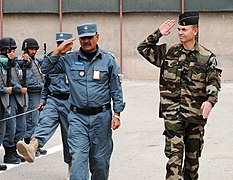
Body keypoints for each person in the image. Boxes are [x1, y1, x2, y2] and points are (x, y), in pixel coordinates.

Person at [137, 12, 222, 180]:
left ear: (195, 31)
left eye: (184, 29)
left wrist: (210, 101)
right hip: (173, 115)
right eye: (179, 29)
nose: (181, 32)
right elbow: (143, 48)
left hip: (195, 116)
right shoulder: (169, 52)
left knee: (192, 163)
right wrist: (158, 33)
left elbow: (213, 82)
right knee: (174, 160)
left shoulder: (207, 57)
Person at [40, 22, 125, 180]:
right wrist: (59, 50)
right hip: (77, 118)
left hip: (102, 118)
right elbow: (45, 69)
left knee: (100, 161)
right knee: (78, 159)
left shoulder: (107, 60)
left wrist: (117, 114)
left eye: (90, 37)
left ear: (97, 37)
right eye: (83, 38)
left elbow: (115, 89)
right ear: (78, 40)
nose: (86, 41)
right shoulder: (69, 60)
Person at [17, 32, 73, 180]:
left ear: (71, 45)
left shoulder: (75, 60)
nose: (62, 46)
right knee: (44, 122)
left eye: (65, 43)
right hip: (53, 100)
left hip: (70, 102)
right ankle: (32, 146)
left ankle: (71, 166)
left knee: (69, 137)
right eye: (59, 43)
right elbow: (46, 84)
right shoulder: (51, 60)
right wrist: (42, 99)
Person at [0, 37, 27, 164]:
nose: (13, 52)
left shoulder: (13, 63)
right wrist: (16, 88)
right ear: (4, 50)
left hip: (15, 96)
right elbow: (7, 81)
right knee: (9, 127)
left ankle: (13, 150)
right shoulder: (3, 63)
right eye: (11, 50)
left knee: (18, 126)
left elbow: (17, 76)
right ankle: (9, 152)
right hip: (7, 97)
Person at [19, 38, 47, 156]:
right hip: (32, 94)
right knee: (31, 120)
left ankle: (34, 146)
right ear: (25, 50)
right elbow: (30, 82)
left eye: (35, 49)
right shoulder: (25, 62)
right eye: (31, 49)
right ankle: (28, 145)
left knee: (37, 120)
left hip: (38, 94)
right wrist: (44, 86)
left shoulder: (34, 61)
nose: (34, 51)